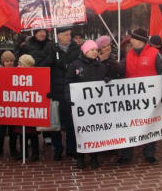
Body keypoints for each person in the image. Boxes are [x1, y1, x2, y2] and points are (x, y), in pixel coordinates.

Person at [117, 28, 162, 165]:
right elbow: (121, 70)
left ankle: (149, 154)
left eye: (133, 38)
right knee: (129, 126)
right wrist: (112, 69)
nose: (130, 40)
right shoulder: (129, 54)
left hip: (151, 100)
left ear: (141, 41)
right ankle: (126, 155)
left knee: (150, 126)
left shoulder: (155, 54)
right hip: (132, 99)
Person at [66, 40, 107, 169]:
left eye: (96, 49)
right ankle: (80, 157)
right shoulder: (75, 65)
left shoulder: (100, 66)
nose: (95, 52)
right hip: (80, 106)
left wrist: (107, 80)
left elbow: (106, 80)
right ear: (85, 51)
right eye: (92, 49)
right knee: (80, 132)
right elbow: (68, 82)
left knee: (94, 131)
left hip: (95, 106)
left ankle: (94, 156)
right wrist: (69, 97)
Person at [48, 27, 81, 161]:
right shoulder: (51, 49)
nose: (69, 37)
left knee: (70, 123)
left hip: (70, 91)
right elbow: (44, 67)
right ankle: (57, 149)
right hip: (55, 91)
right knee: (55, 123)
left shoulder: (76, 50)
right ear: (58, 36)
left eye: (70, 34)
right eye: (66, 35)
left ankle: (71, 148)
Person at [0, 51, 20, 159]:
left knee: (13, 130)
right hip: (0, 104)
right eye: (7, 61)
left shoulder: (17, 72)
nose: (9, 63)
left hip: (13, 105)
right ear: (3, 62)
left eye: (11, 61)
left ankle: (13, 149)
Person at [16, 54, 40, 161]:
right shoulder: (15, 74)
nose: (18, 65)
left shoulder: (36, 75)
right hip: (21, 108)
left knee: (33, 134)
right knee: (22, 134)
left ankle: (35, 153)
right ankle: (23, 152)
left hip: (31, 108)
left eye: (20, 64)